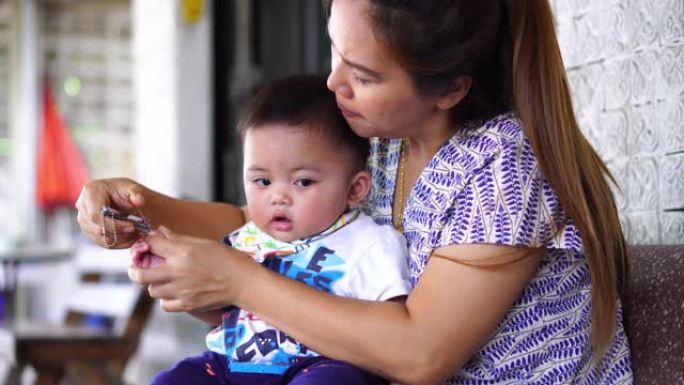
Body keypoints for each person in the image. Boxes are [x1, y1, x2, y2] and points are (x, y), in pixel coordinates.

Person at [76, 0, 633, 384]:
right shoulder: (383, 139)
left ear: (452, 88)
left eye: (362, 74)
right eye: (335, 53)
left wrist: (237, 280)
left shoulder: (504, 168)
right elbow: (265, 217)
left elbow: (421, 354)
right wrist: (139, 209)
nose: (332, 82)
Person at [131, 75, 412, 384]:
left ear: (355, 188)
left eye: (303, 181)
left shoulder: (369, 243)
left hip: (321, 367)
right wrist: (173, 279)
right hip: (233, 368)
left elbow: (390, 337)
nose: (278, 196)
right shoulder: (248, 238)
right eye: (262, 181)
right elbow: (225, 314)